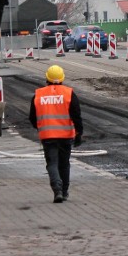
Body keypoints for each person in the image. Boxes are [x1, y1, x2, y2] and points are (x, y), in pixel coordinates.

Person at [30, 65, 83, 203]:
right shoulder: (69, 93)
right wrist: (79, 133)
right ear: (62, 78)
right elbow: (76, 115)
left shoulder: (39, 94)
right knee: (64, 164)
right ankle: (64, 192)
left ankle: (57, 189)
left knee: (52, 163)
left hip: (47, 136)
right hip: (65, 136)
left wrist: (41, 127)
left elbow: (32, 117)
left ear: (47, 78)